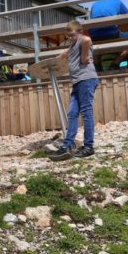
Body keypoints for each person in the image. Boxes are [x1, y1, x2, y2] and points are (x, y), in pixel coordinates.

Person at [50, 20, 100, 161]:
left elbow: (87, 40)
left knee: (86, 112)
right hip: (77, 82)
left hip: (87, 80)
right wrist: (52, 62)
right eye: (68, 36)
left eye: (72, 35)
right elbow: (61, 56)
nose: (70, 38)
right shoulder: (72, 46)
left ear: (79, 32)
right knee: (72, 113)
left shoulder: (82, 40)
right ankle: (67, 145)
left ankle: (88, 147)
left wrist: (84, 56)